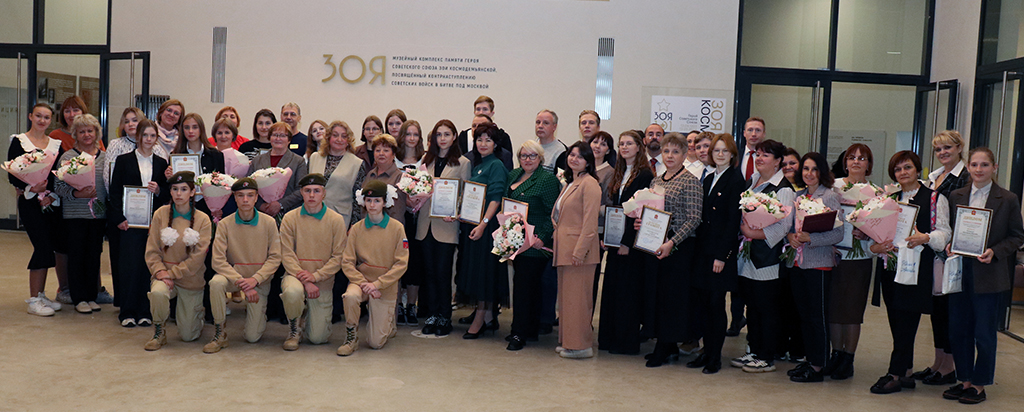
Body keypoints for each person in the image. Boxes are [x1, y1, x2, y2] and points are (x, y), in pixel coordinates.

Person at [941, 147, 1024, 404]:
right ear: (968, 167)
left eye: (985, 165)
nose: (979, 169)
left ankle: (979, 384)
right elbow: (951, 229)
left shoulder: (1007, 199)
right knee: (958, 330)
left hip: (989, 274)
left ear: (994, 168)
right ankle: (964, 379)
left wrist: (995, 252)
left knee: (984, 334)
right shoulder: (956, 196)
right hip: (960, 271)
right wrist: (949, 244)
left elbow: (1017, 236)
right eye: (975, 164)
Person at [868, 150, 951, 394]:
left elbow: (945, 233)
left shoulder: (934, 198)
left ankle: (894, 374)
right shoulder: (888, 199)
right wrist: (877, 243)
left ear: (917, 169)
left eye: (907, 167)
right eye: (898, 169)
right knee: (896, 320)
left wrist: (925, 237)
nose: (903, 172)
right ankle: (906, 371)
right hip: (890, 267)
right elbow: (877, 230)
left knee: (906, 321)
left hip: (916, 269)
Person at [636, 133, 702, 367]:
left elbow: (694, 219)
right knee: (657, 295)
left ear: (684, 155)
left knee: (672, 298)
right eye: (666, 151)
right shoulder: (657, 181)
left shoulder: (690, 181)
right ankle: (667, 345)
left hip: (678, 248)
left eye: (676, 151)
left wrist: (672, 242)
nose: (670, 156)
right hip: (656, 244)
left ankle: (665, 346)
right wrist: (641, 222)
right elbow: (650, 211)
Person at [914, 130, 970, 385]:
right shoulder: (934, 177)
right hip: (934, 252)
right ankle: (938, 362)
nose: (943, 152)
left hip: (954, 253)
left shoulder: (966, 178)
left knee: (949, 312)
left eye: (948, 147)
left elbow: (968, 216)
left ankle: (949, 367)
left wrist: (955, 243)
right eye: (938, 149)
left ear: (959, 148)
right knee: (937, 311)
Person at [733, 139, 794, 372]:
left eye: (766, 155)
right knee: (752, 306)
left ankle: (767, 356)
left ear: (778, 161)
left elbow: (782, 226)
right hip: (747, 256)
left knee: (766, 308)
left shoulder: (784, 189)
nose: (759, 159)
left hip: (768, 258)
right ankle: (753, 350)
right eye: (758, 154)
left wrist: (751, 233)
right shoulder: (753, 180)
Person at [785, 152, 844, 383]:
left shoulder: (829, 197)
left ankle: (819, 366)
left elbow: (838, 234)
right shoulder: (798, 196)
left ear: (822, 172)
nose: (809, 173)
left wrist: (811, 238)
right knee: (804, 316)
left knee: (817, 317)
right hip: (798, 263)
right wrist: (790, 237)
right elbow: (791, 228)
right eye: (806, 169)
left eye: (814, 169)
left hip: (819, 264)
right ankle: (810, 360)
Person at [205, 177, 282, 353]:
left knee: (252, 337)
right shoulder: (225, 224)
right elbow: (217, 261)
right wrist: (242, 283)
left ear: (256, 198)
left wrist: (255, 280)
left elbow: (275, 257)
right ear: (234, 198)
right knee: (216, 283)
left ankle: (258, 315)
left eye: (250, 195)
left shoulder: (269, 223)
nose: (245, 199)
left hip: (258, 281)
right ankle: (219, 332)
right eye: (240, 195)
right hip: (235, 278)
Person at [688, 133, 744, 374]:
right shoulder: (709, 177)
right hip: (703, 251)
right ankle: (705, 351)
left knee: (715, 304)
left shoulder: (735, 180)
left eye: (725, 150)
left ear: (732, 154)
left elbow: (732, 222)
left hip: (719, 254)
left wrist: (722, 256)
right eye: (716, 150)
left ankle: (715, 357)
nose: (720, 154)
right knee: (702, 305)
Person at [337, 180, 410, 356]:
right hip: (361, 282)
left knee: (375, 343)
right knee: (350, 296)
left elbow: (401, 263)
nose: (372, 205)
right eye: (368, 201)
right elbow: (347, 262)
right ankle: (351, 337)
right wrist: (364, 284)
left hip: (384, 285)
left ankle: (388, 323)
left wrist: (377, 285)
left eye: (377, 201)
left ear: (385, 203)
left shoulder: (397, 228)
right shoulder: (356, 229)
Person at [598, 130, 654, 355]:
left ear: (639, 147)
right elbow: (614, 209)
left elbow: (640, 213)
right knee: (612, 290)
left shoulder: (644, 175)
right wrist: (607, 237)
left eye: (629, 143)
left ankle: (625, 341)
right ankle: (608, 338)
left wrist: (626, 242)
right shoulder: (619, 172)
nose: (624, 147)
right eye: (621, 144)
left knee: (627, 294)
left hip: (630, 243)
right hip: (614, 239)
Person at [109, 118, 170, 327]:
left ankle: (145, 311)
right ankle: (127, 312)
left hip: (152, 223)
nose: (149, 139)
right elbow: (115, 191)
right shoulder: (124, 160)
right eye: (145, 135)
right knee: (129, 266)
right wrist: (118, 218)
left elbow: (167, 194)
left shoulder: (161, 163)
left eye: (153, 136)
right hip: (129, 223)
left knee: (148, 266)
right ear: (138, 136)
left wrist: (159, 190)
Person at [143, 171, 213, 350]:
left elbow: (198, 258)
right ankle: (159, 330)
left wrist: (172, 274)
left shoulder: (203, 219)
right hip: (163, 276)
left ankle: (197, 315)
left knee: (189, 336)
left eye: (184, 189)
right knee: (158, 293)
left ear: (192, 192)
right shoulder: (160, 214)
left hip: (190, 279)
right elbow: (152, 250)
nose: (179, 194)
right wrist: (160, 272)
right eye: (175, 189)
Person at [279, 173, 348, 351]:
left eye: (316, 191)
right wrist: (306, 281)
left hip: (322, 281)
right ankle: (294, 329)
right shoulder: (290, 218)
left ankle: (307, 319)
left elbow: (338, 257)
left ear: (324, 193)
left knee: (318, 338)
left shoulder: (336, 220)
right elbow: (286, 254)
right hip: (295, 276)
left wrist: (315, 277)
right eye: (307, 190)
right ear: (301, 193)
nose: (311, 195)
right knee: (292, 292)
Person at [826, 144, 878, 380]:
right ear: (845, 162)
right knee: (834, 310)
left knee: (852, 311)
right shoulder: (833, 186)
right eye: (852, 157)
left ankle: (848, 359)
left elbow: (882, 230)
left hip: (859, 259)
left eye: (862, 158)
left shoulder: (876, 193)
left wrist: (867, 234)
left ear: (869, 165)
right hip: (833, 255)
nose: (856, 161)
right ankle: (836, 354)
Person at [8, 103, 65, 316]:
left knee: (49, 246)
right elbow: (12, 172)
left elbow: (59, 173)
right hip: (30, 202)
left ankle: (40, 294)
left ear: (51, 120)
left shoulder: (56, 145)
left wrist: (50, 194)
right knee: (42, 246)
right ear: (31, 116)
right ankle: (33, 300)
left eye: (46, 117)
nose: (42, 120)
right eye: (38, 116)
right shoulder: (19, 141)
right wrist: (31, 188)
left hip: (50, 202)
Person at [504, 140, 561, 351]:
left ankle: (518, 333)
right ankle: (529, 329)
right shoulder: (514, 174)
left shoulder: (547, 180)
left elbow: (552, 213)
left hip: (534, 244)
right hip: (515, 240)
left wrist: (543, 238)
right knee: (528, 287)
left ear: (540, 158)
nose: (527, 160)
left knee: (524, 287)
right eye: (523, 156)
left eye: (532, 156)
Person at [417, 120, 471, 336]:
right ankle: (432, 315)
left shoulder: (463, 163)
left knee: (443, 272)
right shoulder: (426, 160)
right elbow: (418, 189)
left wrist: (457, 211)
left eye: (446, 134)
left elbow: (467, 194)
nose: (442, 139)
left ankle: (444, 317)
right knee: (429, 273)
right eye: (438, 134)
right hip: (425, 224)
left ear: (454, 136)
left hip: (447, 226)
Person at [550, 141, 602, 359]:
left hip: (579, 253)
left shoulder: (590, 184)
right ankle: (569, 342)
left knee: (578, 301)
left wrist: (580, 252)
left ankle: (581, 346)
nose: (574, 159)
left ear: (588, 161)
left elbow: (590, 224)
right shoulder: (571, 182)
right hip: (564, 249)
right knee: (567, 301)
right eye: (572, 154)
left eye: (580, 156)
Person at [457, 123, 509, 339]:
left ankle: (479, 318)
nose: (483, 144)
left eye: (488, 140)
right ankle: (487, 317)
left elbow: (496, 198)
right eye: (479, 139)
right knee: (478, 271)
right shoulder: (478, 164)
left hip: (487, 228)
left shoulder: (496, 165)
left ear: (495, 144)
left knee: (484, 274)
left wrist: (483, 224)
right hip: (475, 225)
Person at [54, 114, 108, 314]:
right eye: (82, 131)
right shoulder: (67, 157)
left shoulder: (105, 157)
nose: (86, 135)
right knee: (76, 257)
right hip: (74, 215)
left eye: (90, 131)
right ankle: (79, 298)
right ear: (75, 134)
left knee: (93, 256)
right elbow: (58, 186)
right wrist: (77, 194)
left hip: (97, 216)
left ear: (97, 133)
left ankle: (91, 296)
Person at [308, 120, 365, 227]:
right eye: (335, 135)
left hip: (341, 218)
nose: (339, 139)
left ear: (348, 140)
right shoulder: (314, 158)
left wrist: (354, 224)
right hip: (313, 214)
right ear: (328, 137)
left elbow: (357, 199)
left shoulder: (357, 163)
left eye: (344, 136)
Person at [395, 119, 424, 326]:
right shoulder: (394, 160)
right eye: (408, 134)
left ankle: (412, 306)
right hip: (398, 218)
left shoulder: (425, 160)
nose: (411, 138)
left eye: (415, 134)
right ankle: (397, 304)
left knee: (415, 263)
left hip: (418, 219)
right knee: (397, 260)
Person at [247, 122, 307, 219]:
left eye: (283, 135)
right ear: (269, 138)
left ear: (289, 140)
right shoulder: (257, 160)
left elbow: (301, 189)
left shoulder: (298, 161)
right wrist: (261, 205)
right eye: (275, 135)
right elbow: (249, 186)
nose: (278, 138)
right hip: (261, 214)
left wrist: (280, 204)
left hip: (288, 214)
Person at [353, 134, 407, 225]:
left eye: (386, 150)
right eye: (378, 150)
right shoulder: (370, 175)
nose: (381, 153)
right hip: (367, 226)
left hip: (389, 227)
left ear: (393, 155)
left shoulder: (400, 177)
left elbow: (398, 211)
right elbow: (363, 206)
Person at [739, 117, 766, 181]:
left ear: (764, 134)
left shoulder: (770, 158)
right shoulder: (735, 156)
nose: (754, 134)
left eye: (758, 130)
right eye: (750, 130)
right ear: (744, 133)